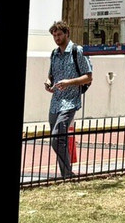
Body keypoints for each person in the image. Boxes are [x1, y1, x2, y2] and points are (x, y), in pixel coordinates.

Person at [44, 20, 92, 179]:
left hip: (70, 101)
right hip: (55, 102)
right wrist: (49, 83)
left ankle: (67, 173)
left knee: (56, 138)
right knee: (59, 140)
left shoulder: (77, 51)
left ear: (67, 33)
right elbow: (51, 75)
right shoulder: (54, 54)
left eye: (59, 34)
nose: (57, 38)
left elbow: (88, 77)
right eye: (54, 36)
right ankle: (66, 174)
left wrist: (68, 82)